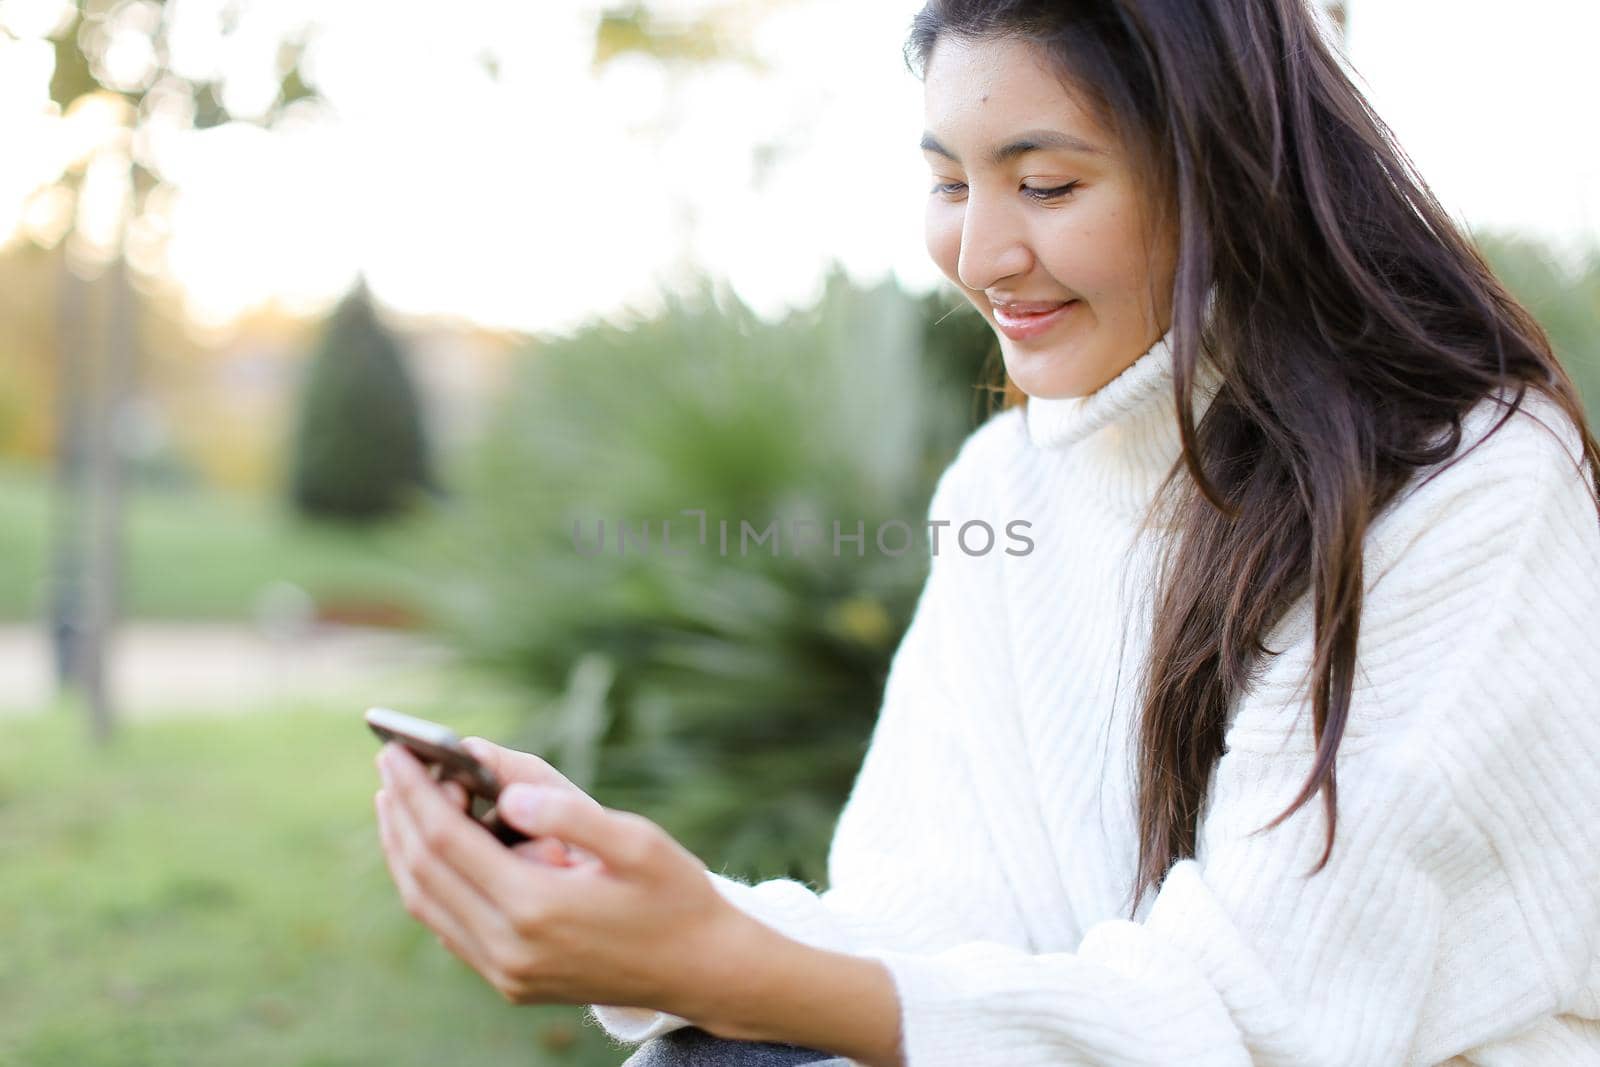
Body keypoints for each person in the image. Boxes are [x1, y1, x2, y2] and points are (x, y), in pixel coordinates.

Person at [371, 0, 1600, 1064]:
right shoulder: (1003, 483)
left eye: (1046, 183)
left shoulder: (1462, 481)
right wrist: (663, 914)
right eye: (950, 182)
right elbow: (936, 924)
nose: (981, 250)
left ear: (1226, 171)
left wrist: (728, 966)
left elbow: (1273, 1023)